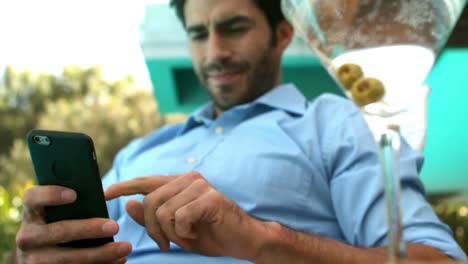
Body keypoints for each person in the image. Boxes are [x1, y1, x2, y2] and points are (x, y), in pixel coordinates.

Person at [14, 0, 467, 263]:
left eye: (234, 28)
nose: (215, 51)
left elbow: (436, 261)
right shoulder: (140, 149)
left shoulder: (336, 121)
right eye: (198, 33)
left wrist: (261, 238)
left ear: (283, 34)